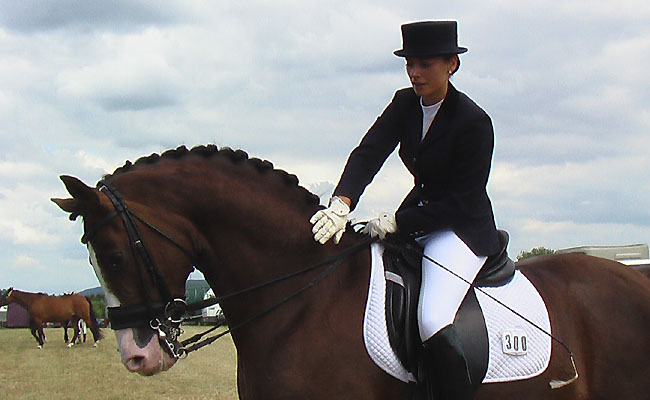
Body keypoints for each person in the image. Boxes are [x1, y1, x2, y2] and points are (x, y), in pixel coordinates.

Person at [310, 20, 501, 399]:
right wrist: (341, 203)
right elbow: (368, 153)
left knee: (432, 318)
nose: (415, 73)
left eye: (425, 64)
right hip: (416, 218)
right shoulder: (403, 105)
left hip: (462, 229)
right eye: (409, 64)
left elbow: (461, 201)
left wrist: (399, 221)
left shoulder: (474, 122)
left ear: (452, 65)